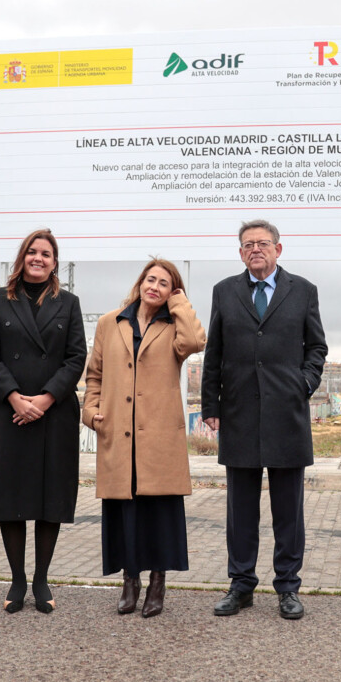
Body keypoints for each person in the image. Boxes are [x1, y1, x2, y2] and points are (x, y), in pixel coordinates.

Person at [201, 219, 327, 620]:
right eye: (248, 244)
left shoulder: (303, 290)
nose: (255, 249)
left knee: (288, 511)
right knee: (240, 512)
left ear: (278, 249)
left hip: (287, 414)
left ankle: (288, 587)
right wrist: (210, 406)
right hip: (238, 414)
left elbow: (317, 347)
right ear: (240, 253)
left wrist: (302, 384)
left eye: (262, 243)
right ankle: (241, 586)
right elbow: (214, 353)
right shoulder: (224, 291)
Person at [83, 259, 206, 618]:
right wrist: (90, 411)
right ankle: (130, 580)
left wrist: (180, 303)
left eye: (164, 283)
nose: (154, 286)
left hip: (159, 436)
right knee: (125, 512)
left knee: (159, 515)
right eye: (150, 279)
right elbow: (95, 375)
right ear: (140, 283)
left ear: (172, 292)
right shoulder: (110, 322)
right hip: (118, 432)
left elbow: (196, 341)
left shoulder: (174, 326)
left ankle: (157, 582)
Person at [0, 229, 87, 614]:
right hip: (7, 411)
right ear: (22, 257)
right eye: (32, 252)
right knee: (11, 496)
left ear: (54, 263)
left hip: (53, 412)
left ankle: (41, 579)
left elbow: (76, 357)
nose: (38, 258)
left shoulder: (69, 303)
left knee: (49, 497)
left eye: (46, 254)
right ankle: (17, 580)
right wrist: (13, 396)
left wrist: (45, 398)